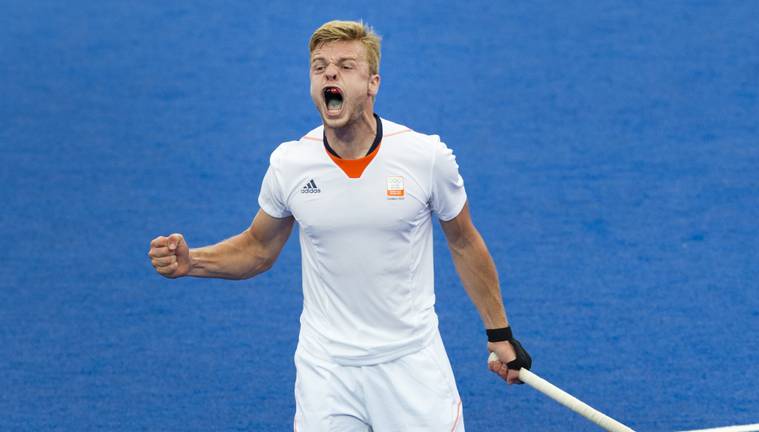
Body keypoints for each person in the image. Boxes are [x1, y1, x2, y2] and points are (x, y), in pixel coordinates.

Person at [148, 20, 531, 431]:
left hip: (410, 365)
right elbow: (258, 248)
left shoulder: (426, 157)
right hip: (326, 370)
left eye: (346, 65)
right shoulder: (290, 163)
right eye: (319, 67)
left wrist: (499, 332)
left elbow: (464, 243)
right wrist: (193, 262)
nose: (330, 73)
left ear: (373, 83)